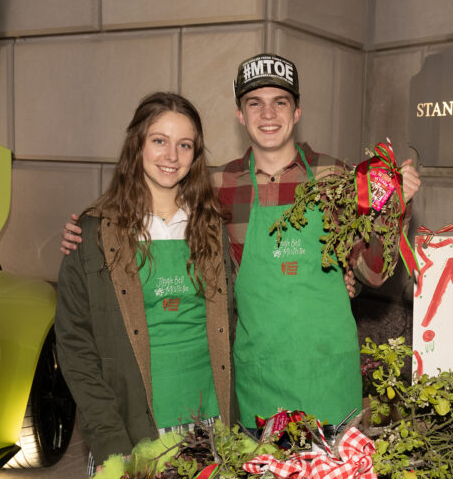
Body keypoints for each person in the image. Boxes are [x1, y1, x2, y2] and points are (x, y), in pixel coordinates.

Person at [62, 54, 419, 432]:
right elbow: (150, 195)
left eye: (279, 102)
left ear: (297, 112)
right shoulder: (218, 189)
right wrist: (87, 232)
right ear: (240, 115)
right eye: (255, 103)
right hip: (256, 382)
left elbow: (373, 272)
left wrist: (394, 207)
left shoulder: (339, 177)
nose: (268, 114)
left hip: (328, 375)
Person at [55, 92, 233, 468]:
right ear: (137, 145)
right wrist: (107, 434)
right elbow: (74, 344)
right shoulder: (93, 233)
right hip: (134, 429)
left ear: (195, 155)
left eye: (184, 145)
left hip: (212, 425)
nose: (172, 156)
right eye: (159, 141)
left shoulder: (212, 226)